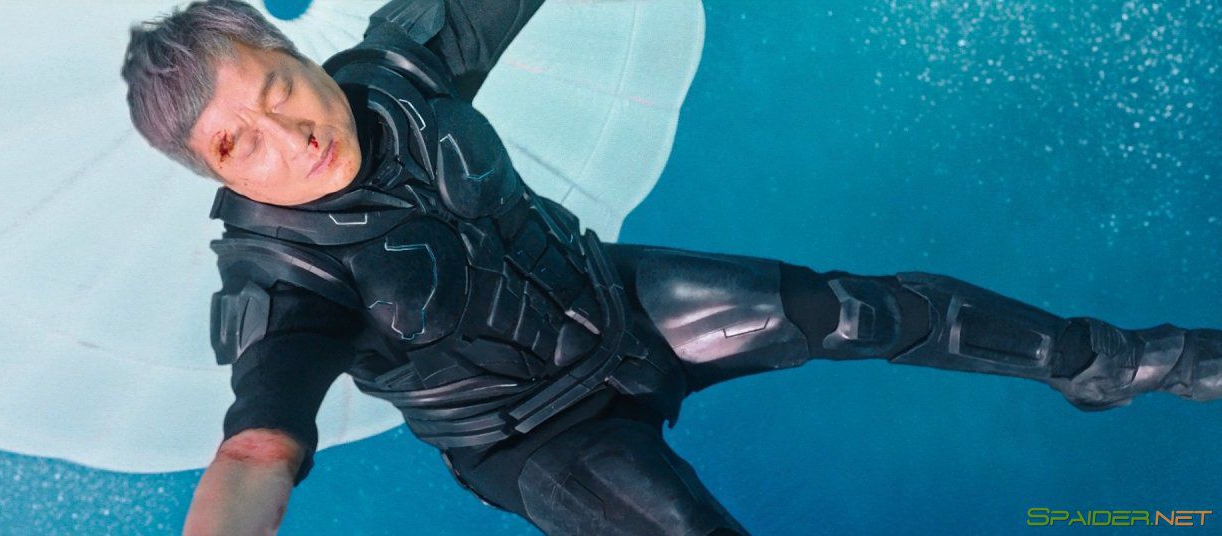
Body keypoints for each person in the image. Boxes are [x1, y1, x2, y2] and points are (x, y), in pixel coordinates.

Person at [121, 1, 1221, 534]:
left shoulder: (402, 68)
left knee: (861, 308)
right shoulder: (281, 282)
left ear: (293, 54)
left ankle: (1115, 362)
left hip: (624, 304)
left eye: (277, 90)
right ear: (207, 171)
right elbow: (258, 445)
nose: (291, 138)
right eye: (238, 144)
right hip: (535, 437)